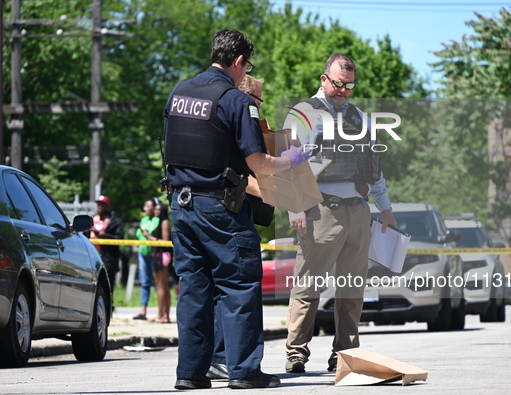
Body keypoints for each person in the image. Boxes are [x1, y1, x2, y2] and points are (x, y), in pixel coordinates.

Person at [162, 29, 308, 390]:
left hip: (181, 204)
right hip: (220, 208)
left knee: (194, 288)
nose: (246, 73)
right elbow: (258, 163)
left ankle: (191, 374)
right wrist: (290, 160)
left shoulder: (179, 92)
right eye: (248, 66)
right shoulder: (236, 101)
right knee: (238, 285)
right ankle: (243, 371)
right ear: (239, 61)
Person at [282, 53, 397, 373]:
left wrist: (385, 208)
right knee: (308, 284)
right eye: (337, 84)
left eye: (349, 86)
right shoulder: (304, 113)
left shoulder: (361, 118)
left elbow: (374, 170)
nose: (343, 90)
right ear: (323, 79)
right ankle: (296, 352)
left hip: (357, 213)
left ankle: (345, 351)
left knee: (352, 286)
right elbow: (289, 164)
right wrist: (295, 206)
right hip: (321, 211)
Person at [207, 75, 269, 382]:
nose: (260, 106)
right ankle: (239, 365)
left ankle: (217, 359)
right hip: (231, 216)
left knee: (219, 291)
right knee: (241, 290)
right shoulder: (243, 120)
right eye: (259, 100)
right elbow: (246, 176)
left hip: (206, 215)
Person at [141, 202, 173, 323]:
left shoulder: (164, 222)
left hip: (162, 255)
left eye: (159, 210)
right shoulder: (158, 221)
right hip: (160, 255)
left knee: (160, 287)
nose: (156, 211)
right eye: (156, 209)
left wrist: (149, 237)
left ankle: (161, 315)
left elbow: (165, 240)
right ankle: (165, 316)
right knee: (164, 286)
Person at [89, 195, 124, 299]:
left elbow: (120, 238)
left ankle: (108, 305)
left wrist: (106, 236)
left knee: (108, 282)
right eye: (98, 204)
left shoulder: (114, 221)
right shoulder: (92, 219)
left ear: (107, 206)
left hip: (108, 257)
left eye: (102, 204)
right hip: (92, 255)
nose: (99, 206)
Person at [134, 197, 161, 320]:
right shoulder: (143, 219)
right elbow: (139, 234)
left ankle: (162, 312)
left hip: (155, 255)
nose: (146, 208)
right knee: (145, 282)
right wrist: (144, 235)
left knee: (159, 283)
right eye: (145, 206)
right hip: (143, 253)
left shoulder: (158, 220)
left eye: (149, 206)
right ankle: (143, 312)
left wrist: (147, 235)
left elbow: (150, 234)